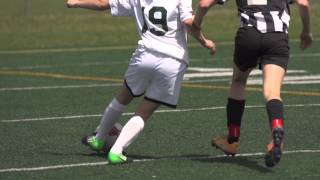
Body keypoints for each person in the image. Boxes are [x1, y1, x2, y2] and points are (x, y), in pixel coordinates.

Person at [67, 0, 216, 164]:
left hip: (144, 55)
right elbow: (189, 24)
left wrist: (76, 3)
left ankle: (99, 138)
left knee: (122, 97)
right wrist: (205, 41)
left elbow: (102, 4)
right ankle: (116, 151)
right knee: (143, 113)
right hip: (173, 60)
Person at [193, 0, 312, 167]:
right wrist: (306, 32)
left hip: (249, 35)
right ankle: (277, 129)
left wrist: (196, 25)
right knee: (272, 92)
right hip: (277, 37)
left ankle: (232, 140)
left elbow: (204, 4)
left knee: (239, 81)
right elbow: (304, 4)